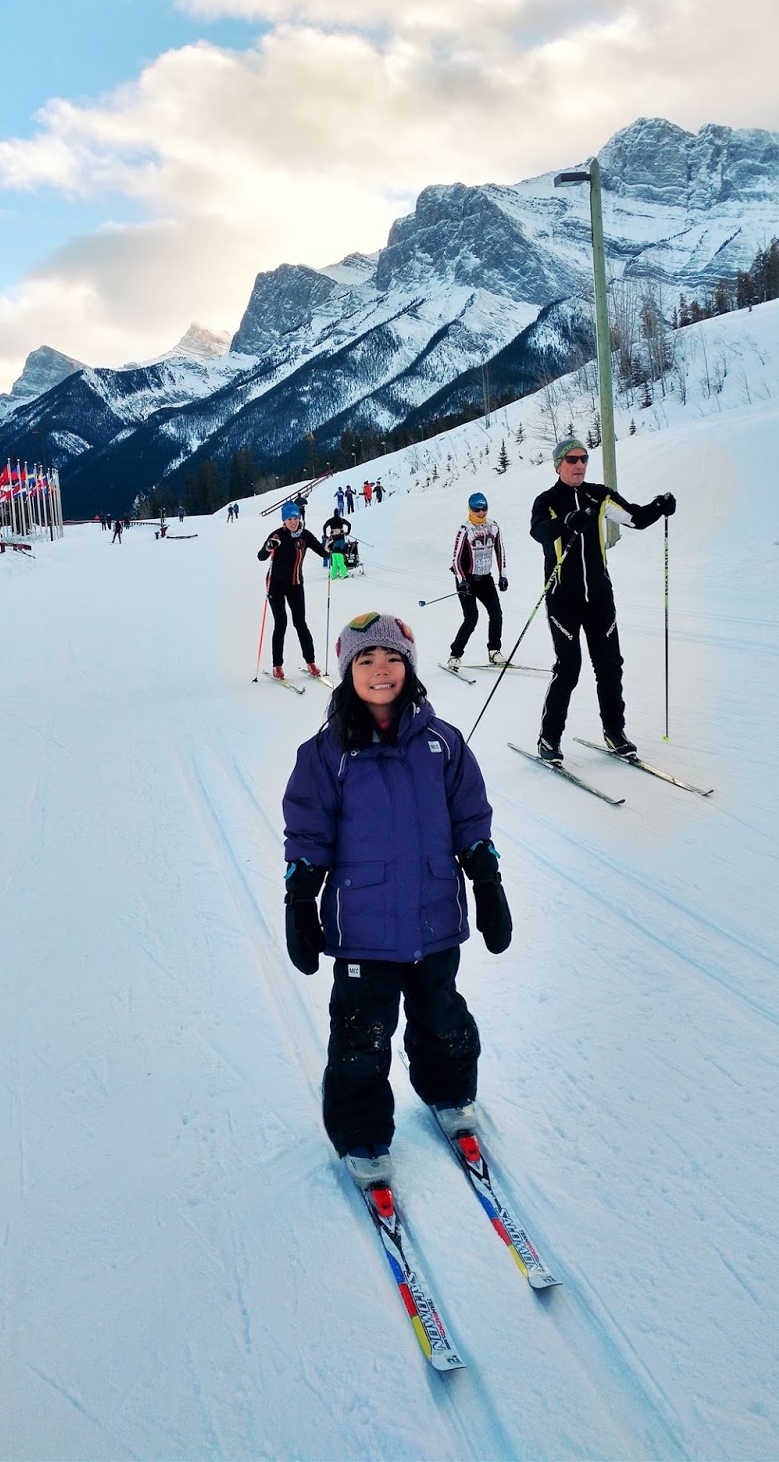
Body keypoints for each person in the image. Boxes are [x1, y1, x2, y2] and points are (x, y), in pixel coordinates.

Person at [282, 612, 513, 1188]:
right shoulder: (326, 753)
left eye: (392, 659)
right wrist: (300, 896)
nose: (381, 670)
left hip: (435, 919)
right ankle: (360, 1129)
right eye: (366, 660)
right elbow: (308, 831)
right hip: (363, 929)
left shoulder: (443, 743)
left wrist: (487, 879)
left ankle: (450, 1092)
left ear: (408, 668)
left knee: (442, 1016)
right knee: (361, 1034)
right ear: (348, 671)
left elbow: (470, 816)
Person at [530, 439, 676, 762]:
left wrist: (659, 506)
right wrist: (566, 522)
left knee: (610, 666)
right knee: (569, 668)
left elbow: (636, 518)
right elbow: (539, 531)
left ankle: (614, 732)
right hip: (562, 600)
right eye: (572, 459)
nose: (580, 465)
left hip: (599, 598)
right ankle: (549, 738)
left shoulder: (599, 496)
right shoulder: (548, 501)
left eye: (584, 458)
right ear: (558, 465)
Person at [258, 503, 327, 678]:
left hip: (295, 584)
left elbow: (322, 551)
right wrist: (269, 547)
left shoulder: (305, 535)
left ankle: (311, 662)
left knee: (300, 623)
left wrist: (330, 549)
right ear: (284, 520)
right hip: (275, 585)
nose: (293, 522)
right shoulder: (277, 535)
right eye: (289, 519)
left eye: (295, 518)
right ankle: (277, 665)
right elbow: (261, 556)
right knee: (281, 623)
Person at [446, 492, 507, 671]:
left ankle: (494, 651)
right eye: (477, 509)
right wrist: (462, 580)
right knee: (471, 618)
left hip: (486, 578)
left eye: (484, 508)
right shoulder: (465, 529)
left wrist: (503, 575)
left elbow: (500, 551)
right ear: (470, 509)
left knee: (496, 614)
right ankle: (455, 655)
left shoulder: (494, 526)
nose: (481, 512)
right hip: (467, 581)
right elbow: (455, 559)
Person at [322, 511, 351, 578]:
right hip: (341, 538)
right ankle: (343, 572)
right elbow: (349, 524)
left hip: (333, 539)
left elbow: (324, 526)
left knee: (334, 554)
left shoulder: (330, 520)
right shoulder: (341, 520)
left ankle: (333, 573)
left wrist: (325, 535)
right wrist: (348, 532)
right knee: (340, 554)